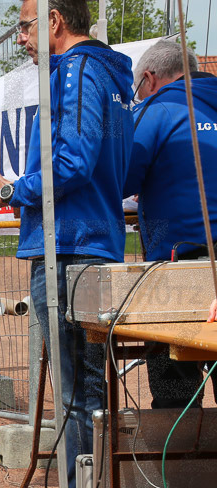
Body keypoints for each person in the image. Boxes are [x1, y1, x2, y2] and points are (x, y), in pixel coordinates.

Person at [0, 0, 133, 488]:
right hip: (84, 245)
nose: (20, 39)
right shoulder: (106, 76)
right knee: (86, 390)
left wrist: (12, 190)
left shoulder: (80, 71)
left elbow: (76, 162)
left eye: (25, 26)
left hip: (70, 250)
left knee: (79, 393)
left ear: (55, 21)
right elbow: (106, 166)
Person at [123, 39, 217, 408]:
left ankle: (178, 460)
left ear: (150, 78)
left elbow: (125, 178)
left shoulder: (158, 109)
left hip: (182, 259)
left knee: (174, 381)